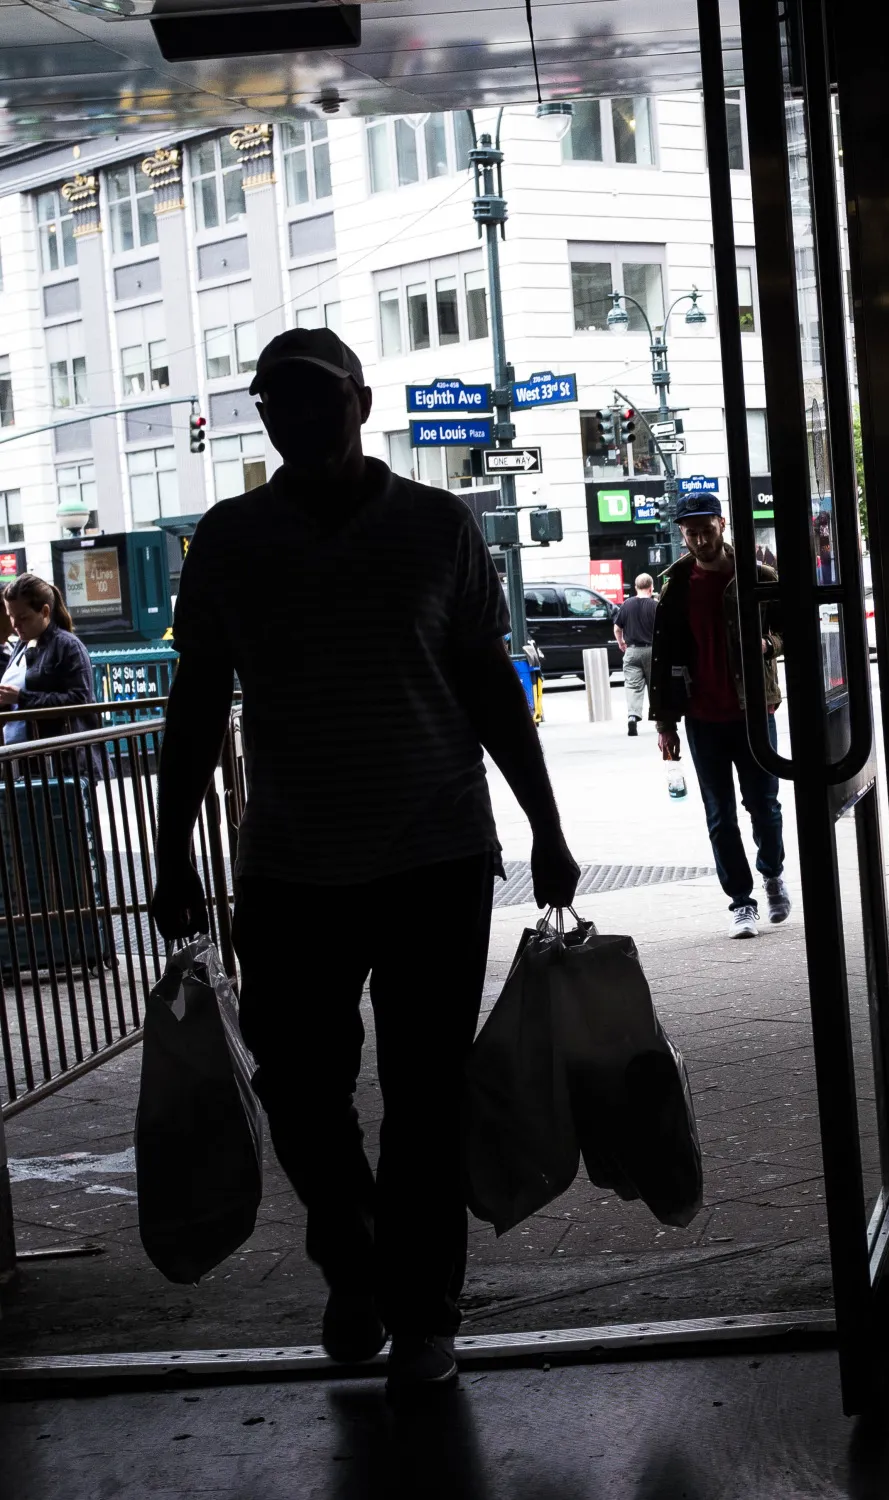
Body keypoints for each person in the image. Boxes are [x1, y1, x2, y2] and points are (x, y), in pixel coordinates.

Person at [147, 328, 580, 1396]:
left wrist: (546, 822)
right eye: (273, 402)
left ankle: (422, 1306)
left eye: (313, 396)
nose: (292, 416)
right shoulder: (231, 541)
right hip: (290, 865)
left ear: (360, 399)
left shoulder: (437, 529)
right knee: (302, 1092)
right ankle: (356, 1262)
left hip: (434, 853)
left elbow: (488, 687)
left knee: (424, 1095)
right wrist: (171, 851)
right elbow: (196, 704)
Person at [648, 492, 791, 939]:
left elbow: (788, 628)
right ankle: (741, 902)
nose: (698, 539)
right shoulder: (675, 585)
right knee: (719, 814)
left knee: (763, 804)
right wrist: (665, 724)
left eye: (705, 529)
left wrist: (771, 645)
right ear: (681, 534)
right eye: (690, 533)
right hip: (702, 716)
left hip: (753, 710)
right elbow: (663, 656)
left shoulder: (757, 576)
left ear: (722, 524)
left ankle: (771, 874)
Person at [0, 575, 98, 746]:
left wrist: (22, 698)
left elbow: (80, 699)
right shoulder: (21, 646)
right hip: (23, 756)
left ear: (45, 612)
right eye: (11, 616)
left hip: (64, 758)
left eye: (23, 618)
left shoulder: (68, 646)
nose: (15, 624)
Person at [614, 573, 657, 738]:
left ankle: (633, 716)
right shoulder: (655, 606)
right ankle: (660, 720)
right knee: (656, 686)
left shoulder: (627, 604)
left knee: (632, 686)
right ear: (651, 588)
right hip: (653, 651)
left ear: (635, 587)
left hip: (632, 651)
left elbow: (617, 628)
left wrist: (621, 643)